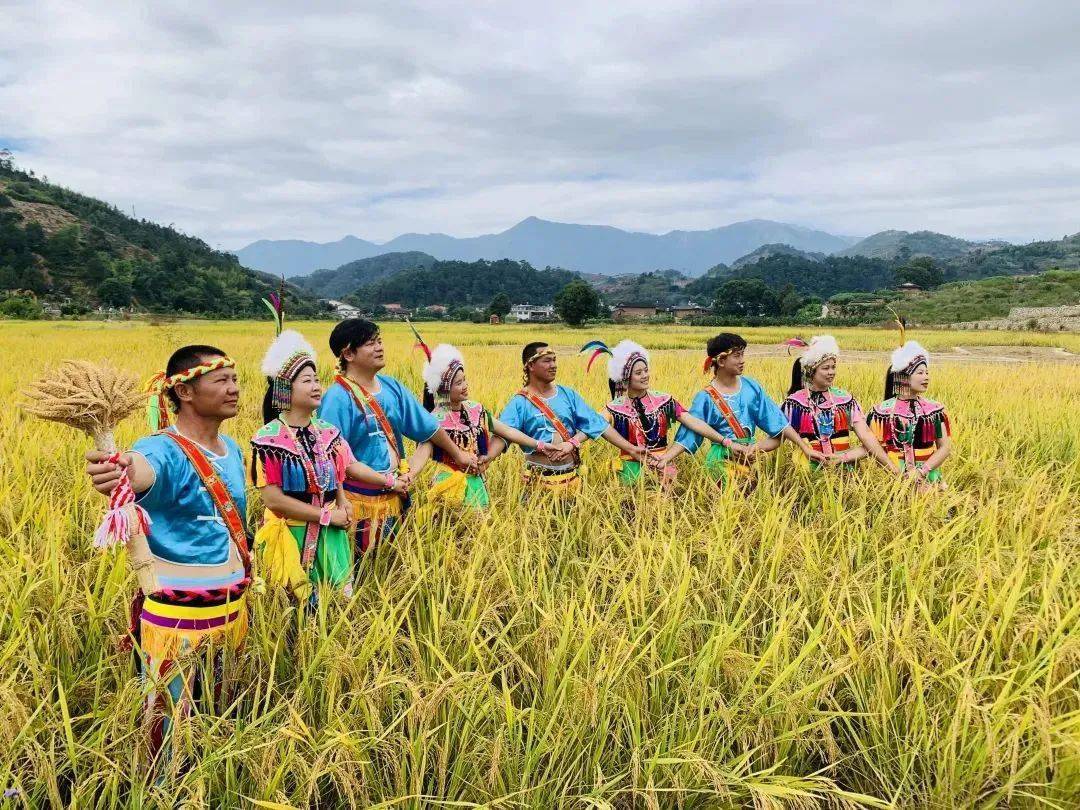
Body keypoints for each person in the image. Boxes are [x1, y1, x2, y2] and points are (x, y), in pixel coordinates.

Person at [84, 345, 249, 759]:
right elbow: (139, 468)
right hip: (178, 624)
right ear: (186, 393)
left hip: (231, 611)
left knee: (218, 718)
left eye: (234, 379)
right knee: (168, 730)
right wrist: (118, 471)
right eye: (221, 381)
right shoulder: (162, 449)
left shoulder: (233, 449)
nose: (233, 389)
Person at [251, 330, 406, 607]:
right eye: (307, 380)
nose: (316, 386)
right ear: (284, 388)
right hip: (291, 535)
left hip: (331, 534)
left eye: (317, 380)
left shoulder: (328, 433)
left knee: (336, 606)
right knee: (292, 609)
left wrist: (344, 505)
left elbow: (344, 471)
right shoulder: (268, 439)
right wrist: (326, 516)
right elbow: (273, 500)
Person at [317, 318, 478, 553]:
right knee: (363, 571)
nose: (380, 347)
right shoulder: (336, 398)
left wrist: (451, 458)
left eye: (380, 341)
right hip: (359, 502)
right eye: (371, 343)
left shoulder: (392, 387)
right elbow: (334, 458)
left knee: (393, 564)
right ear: (349, 354)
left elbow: (429, 430)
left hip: (396, 497)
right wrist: (387, 481)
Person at [658, 333, 824, 485]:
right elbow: (690, 431)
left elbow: (778, 423)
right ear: (721, 361)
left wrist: (803, 447)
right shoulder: (705, 397)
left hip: (750, 459)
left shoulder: (752, 387)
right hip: (721, 460)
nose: (742, 360)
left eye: (743, 354)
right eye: (737, 356)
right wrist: (666, 458)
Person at [497, 341, 650, 496]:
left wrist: (631, 449)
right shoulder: (519, 402)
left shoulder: (568, 395)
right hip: (537, 484)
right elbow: (502, 434)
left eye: (554, 360)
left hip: (571, 480)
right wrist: (485, 460)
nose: (554, 365)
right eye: (547, 360)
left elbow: (597, 423)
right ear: (531, 366)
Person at [581, 338, 737, 488]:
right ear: (626, 378)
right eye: (638, 373)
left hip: (664, 468)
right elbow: (594, 424)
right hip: (631, 471)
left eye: (646, 370)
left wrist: (724, 441)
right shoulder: (614, 408)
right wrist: (572, 443)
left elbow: (693, 422)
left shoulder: (664, 401)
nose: (645, 375)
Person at [408, 343, 542, 509]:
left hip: (476, 482)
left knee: (478, 526)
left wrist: (539, 445)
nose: (465, 386)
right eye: (458, 383)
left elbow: (507, 431)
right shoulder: (435, 420)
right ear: (443, 389)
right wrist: (408, 476)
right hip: (448, 482)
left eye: (464, 380)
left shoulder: (476, 409)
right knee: (451, 527)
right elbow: (422, 452)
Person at [780, 335, 898, 472]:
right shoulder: (794, 403)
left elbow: (867, 437)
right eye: (825, 368)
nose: (831, 372)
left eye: (833, 367)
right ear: (812, 370)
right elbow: (778, 434)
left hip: (845, 472)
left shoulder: (845, 400)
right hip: (807, 473)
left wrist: (891, 467)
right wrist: (754, 449)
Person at [867, 339, 952, 490]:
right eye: (920, 373)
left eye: (927, 372)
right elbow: (871, 447)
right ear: (903, 376)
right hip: (893, 476)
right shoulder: (882, 412)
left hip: (928, 475)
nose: (926, 377)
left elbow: (945, 447)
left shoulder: (933, 410)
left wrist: (922, 471)